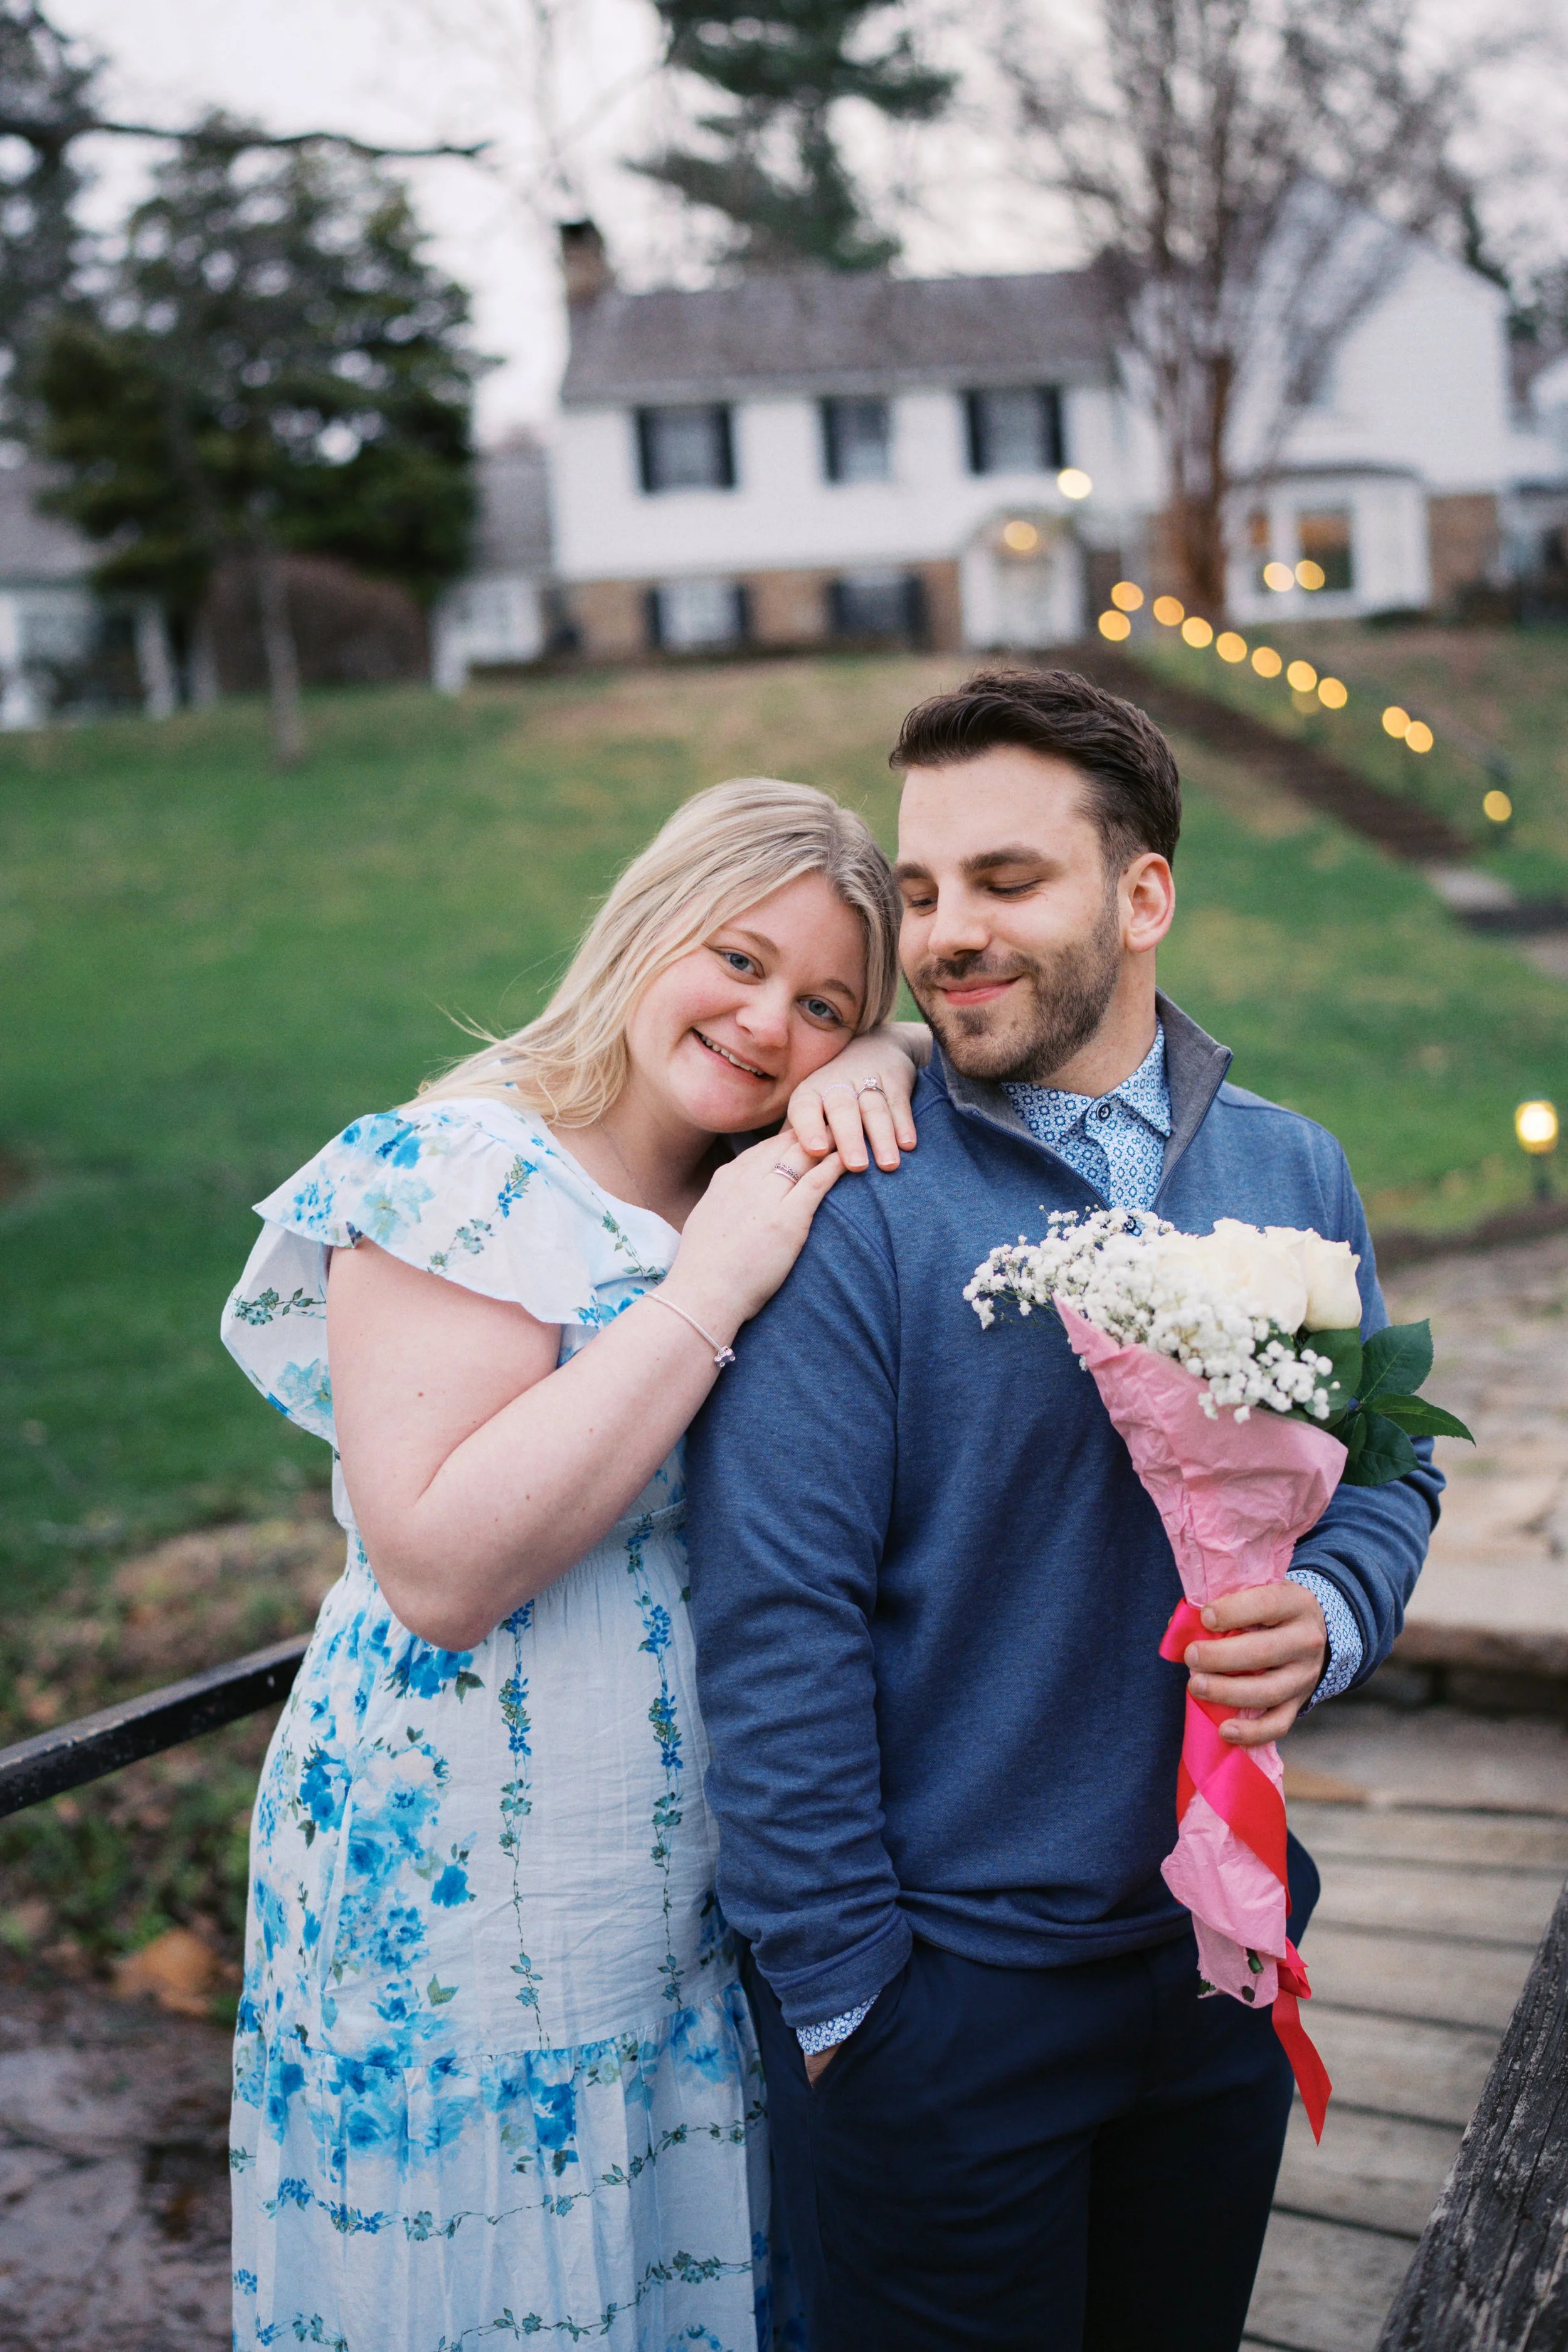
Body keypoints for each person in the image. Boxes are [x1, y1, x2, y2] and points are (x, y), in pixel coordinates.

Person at [684, 673, 1443, 2352]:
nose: (947, 931)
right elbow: (773, 1614)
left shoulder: (1289, 1169)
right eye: (925, 890)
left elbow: (1386, 1467)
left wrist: (1330, 1611)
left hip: (1221, 1955)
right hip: (946, 2003)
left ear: (1143, 891)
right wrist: (847, 2000)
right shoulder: (849, 1198)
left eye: (1006, 880)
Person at [219, 776, 926, 2352]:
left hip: (656, 1897)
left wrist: (886, 1048)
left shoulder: (731, 1178)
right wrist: (718, 1279)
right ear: (649, 925)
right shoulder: (464, 1167)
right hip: (450, 1897)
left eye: (817, 1003)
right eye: (737, 961)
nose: (765, 1024)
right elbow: (441, 1571)